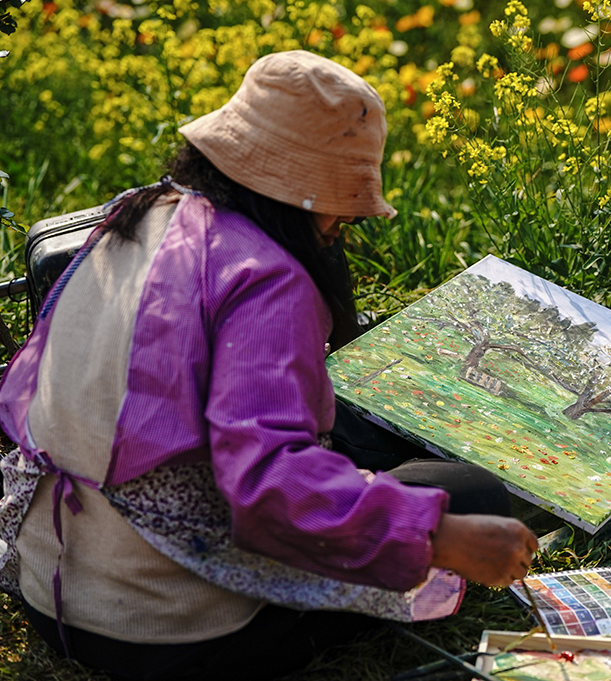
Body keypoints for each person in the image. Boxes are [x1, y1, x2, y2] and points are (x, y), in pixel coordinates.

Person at [0, 49, 538, 681]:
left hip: (49, 588)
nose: (342, 226)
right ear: (309, 194)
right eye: (342, 208)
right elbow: (265, 484)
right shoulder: (264, 277)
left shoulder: (136, 216)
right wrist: (441, 537)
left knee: (368, 440)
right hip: (172, 636)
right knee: (474, 492)